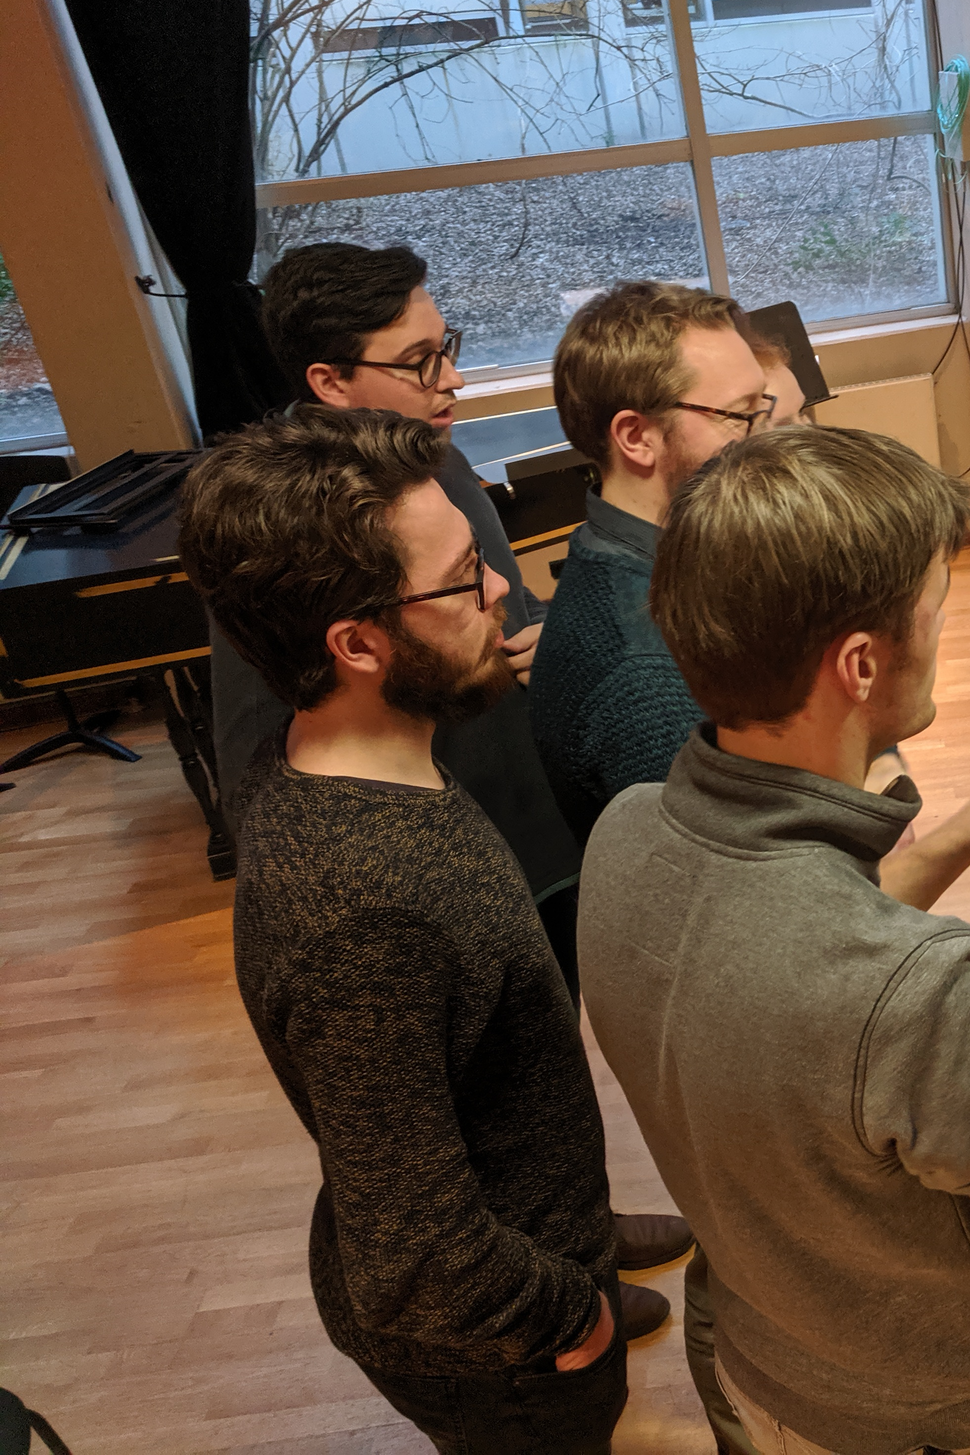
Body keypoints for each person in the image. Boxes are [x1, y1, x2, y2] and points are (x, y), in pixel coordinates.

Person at [579, 425, 970, 1454]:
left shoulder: (623, 834)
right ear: (858, 662)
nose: (943, 624)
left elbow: (794, 938)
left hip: (755, 1368)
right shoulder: (913, 995)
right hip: (939, 1420)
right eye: (935, 605)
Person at [177, 407, 636, 1454]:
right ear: (356, 643)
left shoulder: (357, 762)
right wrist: (574, 1318)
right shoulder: (364, 916)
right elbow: (414, 1258)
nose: (500, 592)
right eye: (463, 580)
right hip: (507, 1361)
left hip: (534, 1258)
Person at [239, 242, 690, 1296]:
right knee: (476, 1090)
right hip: (436, 856)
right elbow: (273, 741)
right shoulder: (293, 529)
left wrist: (531, 630)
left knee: (543, 1059)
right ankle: (562, 1281)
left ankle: (580, 1230)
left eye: (449, 349)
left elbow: (490, 609)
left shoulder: (428, 463)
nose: (451, 381)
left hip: (518, 829)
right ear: (328, 381)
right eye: (419, 362)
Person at [531, 280, 772, 843]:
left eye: (763, 409)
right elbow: (741, 879)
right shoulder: (646, 676)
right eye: (739, 416)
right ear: (637, 436)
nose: (766, 441)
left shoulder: (684, 559)